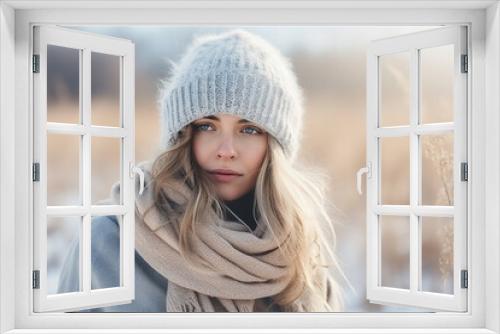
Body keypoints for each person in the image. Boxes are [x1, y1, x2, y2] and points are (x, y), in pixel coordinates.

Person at [58, 28, 348, 312]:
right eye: (207, 126)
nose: (226, 149)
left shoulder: (299, 254)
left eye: (249, 129)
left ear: (275, 147)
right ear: (183, 135)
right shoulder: (111, 241)